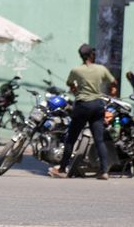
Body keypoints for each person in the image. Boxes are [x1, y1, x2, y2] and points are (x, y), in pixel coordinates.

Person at [48, 44, 117, 180]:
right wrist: (113, 93)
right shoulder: (101, 69)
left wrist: (75, 89)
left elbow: (70, 84)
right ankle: (104, 171)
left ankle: (62, 169)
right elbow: (113, 82)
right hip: (98, 105)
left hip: (82, 105)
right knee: (99, 140)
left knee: (71, 139)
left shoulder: (76, 70)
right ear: (92, 55)